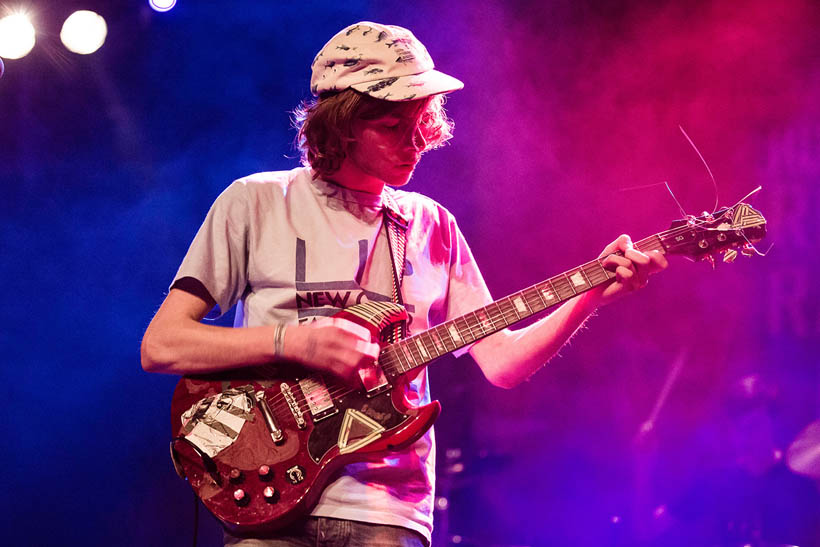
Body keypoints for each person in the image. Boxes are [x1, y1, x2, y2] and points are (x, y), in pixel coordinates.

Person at [141, 21, 667, 547]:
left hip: (388, 510)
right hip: (267, 489)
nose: (416, 143)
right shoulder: (254, 202)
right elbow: (162, 344)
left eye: (421, 123)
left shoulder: (431, 224)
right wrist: (292, 340)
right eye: (393, 126)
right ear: (340, 125)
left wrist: (589, 293)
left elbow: (502, 364)